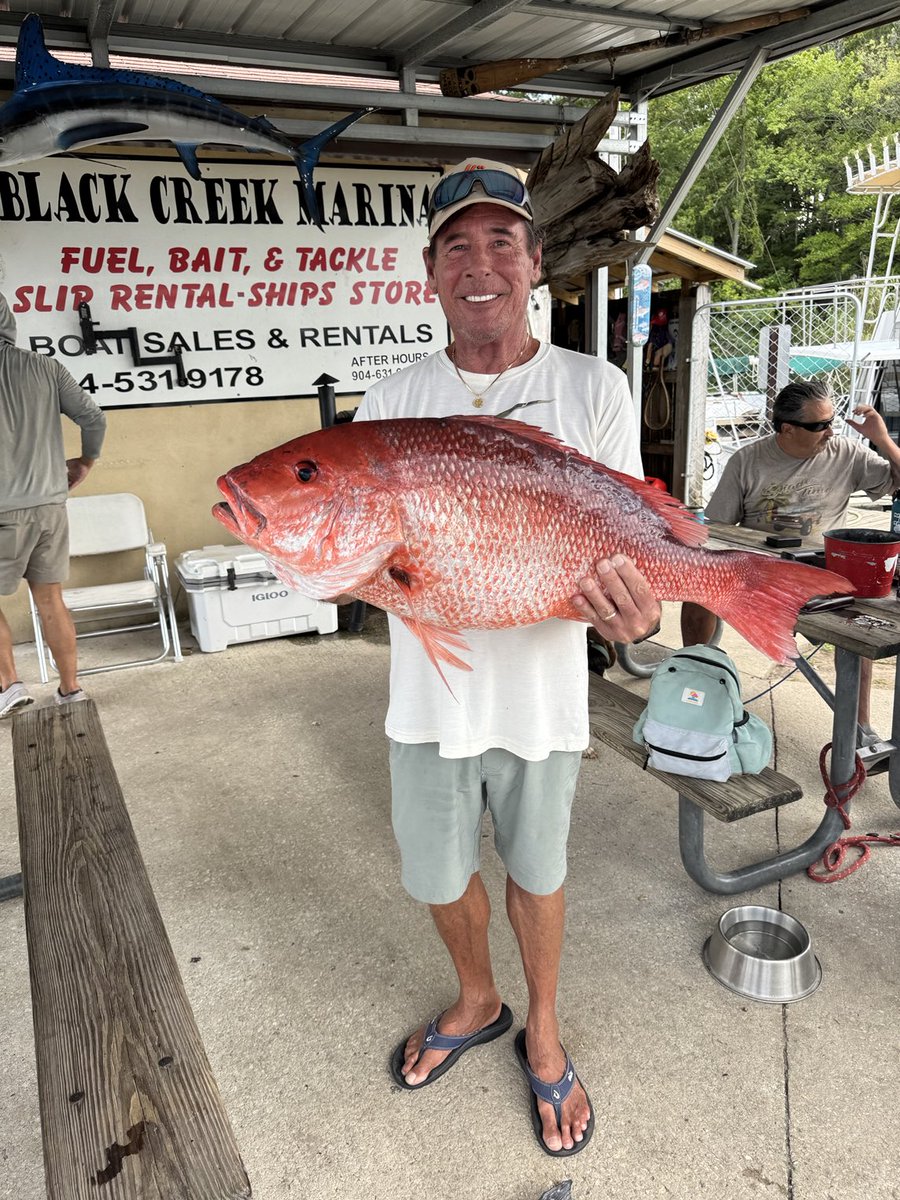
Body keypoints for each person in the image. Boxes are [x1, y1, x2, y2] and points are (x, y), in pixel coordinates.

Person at [353, 158, 660, 1156]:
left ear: (535, 262)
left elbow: (629, 542)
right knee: (438, 876)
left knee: (538, 873)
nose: (478, 263)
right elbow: (371, 553)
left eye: (500, 242)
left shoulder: (594, 386)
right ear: (428, 273)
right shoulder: (393, 396)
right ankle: (479, 998)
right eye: (455, 245)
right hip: (429, 703)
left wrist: (638, 610)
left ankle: (546, 1028)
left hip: (541, 702)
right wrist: (359, 575)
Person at [681, 378, 900, 742]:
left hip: (824, 568)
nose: (830, 432)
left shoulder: (846, 453)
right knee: (698, 594)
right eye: (819, 426)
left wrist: (881, 439)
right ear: (786, 428)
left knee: (860, 628)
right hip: (759, 567)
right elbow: (716, 528)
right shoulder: (748, 460)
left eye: (832, 421)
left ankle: (859, 726)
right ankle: (695, 683)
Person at [0, 292, 107, 717]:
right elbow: (94, 418)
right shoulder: (45, 366)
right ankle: (70, 689)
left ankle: (9, 685)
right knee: (51, 599)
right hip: (50, 505)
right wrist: (84, 462)